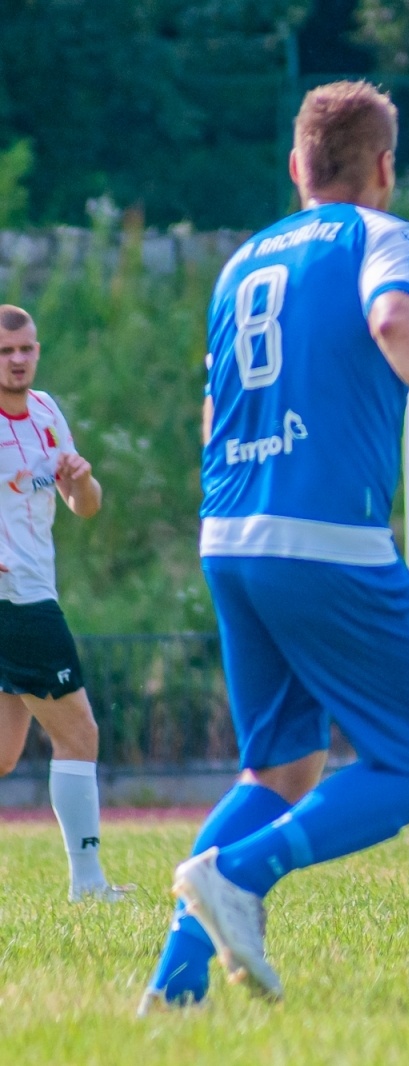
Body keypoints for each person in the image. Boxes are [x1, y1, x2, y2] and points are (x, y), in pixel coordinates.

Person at [139, 81, 409, 1013]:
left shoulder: (242, 262)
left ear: (297, 166)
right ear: (384, 167)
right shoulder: (382, 235)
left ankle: (176, 986)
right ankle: (242, 874)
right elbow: (394, 319)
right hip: (322, 538)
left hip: (230, 534)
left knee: (281, 767)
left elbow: (213, 408)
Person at [0, 305, 126, 903]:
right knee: (80, 734)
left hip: (31, 591)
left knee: (4, 755)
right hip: (19, 602)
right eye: (5, 352)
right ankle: (89, 885)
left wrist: (81, 479)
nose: (17, 360)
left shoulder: (47, 411)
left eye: (26, 349)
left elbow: (86, 507)